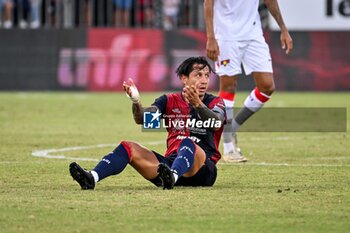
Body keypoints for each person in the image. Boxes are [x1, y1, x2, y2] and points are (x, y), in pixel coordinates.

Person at [69, 56, 226, 190]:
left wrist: (198, 104)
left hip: (203, 170)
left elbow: (216, 123)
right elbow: (142, 120)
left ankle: (173, 175)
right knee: (128, 147)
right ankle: (92, 177)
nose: (204, 80)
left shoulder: (215, 102)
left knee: (187, 142)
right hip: (170, 165)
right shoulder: (169, 101)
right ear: (184, 79)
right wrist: (136, 102)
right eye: (198, 75)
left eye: (207, 75)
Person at [204, 0, 293, 162]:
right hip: (226, 36)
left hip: (253, 34)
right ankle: (229, 148)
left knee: (267, 86)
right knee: (228, 87)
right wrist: (211, 37)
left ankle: (232, 128)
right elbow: (208, 3)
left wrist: (283, 28)